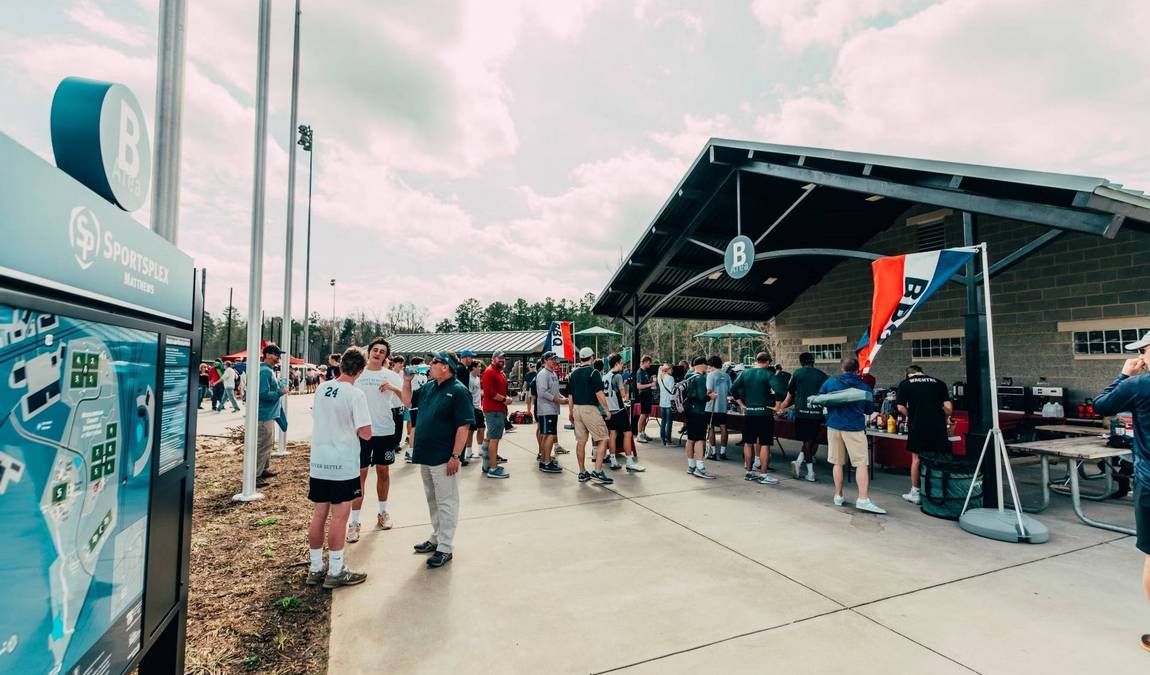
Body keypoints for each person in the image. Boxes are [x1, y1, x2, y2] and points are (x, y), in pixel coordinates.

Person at [1091, 331, 1150, 651]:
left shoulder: (1139, 384)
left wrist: (1124, 374)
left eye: (1143, 350)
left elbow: (1101, 405)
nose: (1141, 355)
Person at [306, 346, 372, 589]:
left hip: (319, 461)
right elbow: (366, 433)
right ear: (361, 370)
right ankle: (335, 569)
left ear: (341, 364)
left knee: (319, 514)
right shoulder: (355, 394)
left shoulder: (322, 388)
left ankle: (315, 567)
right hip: (342, 463)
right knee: (340, 517)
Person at [403, 351, 474, 568]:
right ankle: (436, 536)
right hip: (426, 454)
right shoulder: (429, 387)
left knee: (447, 501)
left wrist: (455, 455)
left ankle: (445, 546)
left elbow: (464, 426)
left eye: (434, 361)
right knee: (432, 498)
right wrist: (406, 382)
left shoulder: (458, 391)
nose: (429, 364)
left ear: (446, 367)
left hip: (444, 456)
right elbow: (408, 402)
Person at [345, 338, 399, 544]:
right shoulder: (357, 373)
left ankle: (383, 512)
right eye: (375, 350)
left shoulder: (390, 375)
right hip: (360, 433)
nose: (377, 353)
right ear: (369, 352)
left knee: (383, 472)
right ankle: (355, 522)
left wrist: (393, 388)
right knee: (360, 475)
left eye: (382, 351)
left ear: (386, 356)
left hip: (385, 431)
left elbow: (407, 400)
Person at [818, 355, 884, 514]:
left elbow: (821, 399)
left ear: (842, 367)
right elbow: (869, 410)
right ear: (857, 370)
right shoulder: (864, 386)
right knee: (861, 463)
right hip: (854, 427)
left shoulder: (830, 382)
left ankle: (838, 495)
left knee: (837, 463)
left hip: (833, 425)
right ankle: (862, 499)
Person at [895, 365, 953, 505]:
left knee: (916, 459)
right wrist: (941, 416)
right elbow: (948, 408)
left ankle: (916, 493)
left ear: (908, 374)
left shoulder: (905, 384)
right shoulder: (939, 383)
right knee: (939, 457)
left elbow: (900, 407)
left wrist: (911, 415)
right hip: (938, 427)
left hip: (918, 426)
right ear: (922, 372)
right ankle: (939, 490)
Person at [777, 352, 828, 483]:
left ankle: (810, 473)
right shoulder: (822, 375)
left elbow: (790, 393)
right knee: (809, 440)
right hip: (817, 413)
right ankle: (798, 462)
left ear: (801, 362)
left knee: (807, 441)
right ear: (813, 361)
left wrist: (781, 407)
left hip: (801, 412)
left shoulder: (798, 373)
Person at [566, 347, 614, 484]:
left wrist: (570, 412)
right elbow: (599, 394)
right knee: (603, 438)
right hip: (590, 409)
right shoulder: (594, 373)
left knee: (581, 441)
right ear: (592, 357)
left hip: (576, 409)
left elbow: (570, 396)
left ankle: (582, 472)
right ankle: (597, 471)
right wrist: (607, 409)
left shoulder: (573, 374)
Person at [731, 352, 779, 485]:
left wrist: (741, 404)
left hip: (749, 413)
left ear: (756, 361)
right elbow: (780, 390)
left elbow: (733, 388)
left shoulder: (745, 373)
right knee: (764, 444)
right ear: (768, 362)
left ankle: (749, 472)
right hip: (764, 413)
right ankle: (763, 475)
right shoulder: (769, 374)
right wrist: (778, 406)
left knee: (748, 442)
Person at [604, 353, 645, 473]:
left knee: (612, 434)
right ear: (616, 363)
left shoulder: (605, 376)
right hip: (619, 410)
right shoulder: (618, 376)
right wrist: (627, 386)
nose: (622, 365)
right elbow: (623, 396)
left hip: (610, 410)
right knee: (628, 434)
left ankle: (613, 460)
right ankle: (629, 462)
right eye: (621, 363)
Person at [257, 344, 289, 487]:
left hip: (269, 414)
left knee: (267, 443)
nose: (278, 358)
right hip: (265, 415)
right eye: (276, 355)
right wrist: (279, 392)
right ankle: (256, 475)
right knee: (263, 444)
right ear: (268, 355)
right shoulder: (265, 371)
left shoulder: (267, 370)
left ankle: (263, 469)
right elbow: (262, 394)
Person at [481, 351, 513, 479]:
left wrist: (505, 404)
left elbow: (500, 390)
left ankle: (488, 464)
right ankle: (493, 469)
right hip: (493, 410)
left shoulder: (499, 372)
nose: (502, 360)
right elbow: (489, 393)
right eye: (500, 358)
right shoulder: (489, 372)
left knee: (491, 438)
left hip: (498, 409)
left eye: (504, 358)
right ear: (493, 359)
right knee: (494, 438)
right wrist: (505, 400)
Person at [684, 357, 715, 478]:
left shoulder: (689, 376)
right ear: (701, 365)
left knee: (690, 438)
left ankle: (691, 465)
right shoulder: (701, 378)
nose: (706, 367)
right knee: (699, 439)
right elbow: (702, 397)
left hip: (688, 410)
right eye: (705, 365)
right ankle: (700, 467)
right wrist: (711, 396)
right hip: (698, 411)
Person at [535, 352, 566, 473]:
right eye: (552, 359)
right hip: (546, 409)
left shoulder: (552, 373)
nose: (555, 361)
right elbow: (542, 392)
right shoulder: (543, 374)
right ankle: (546, 462)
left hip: (552, 409)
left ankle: (545, 459)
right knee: (548, 435)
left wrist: (562, 398)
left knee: (547, 435)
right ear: (545, 360)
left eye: (555, 359)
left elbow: (555, 391)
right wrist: (557, 399)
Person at [705, 355, 732, 460]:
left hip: (711, 406)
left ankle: (713, 452)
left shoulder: (710, 375)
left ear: (711, 365)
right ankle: (723, 452)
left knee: (710, 428)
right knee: (723, 427)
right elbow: (731, 390)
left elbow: (709, 390)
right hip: (723, 406)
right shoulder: (727, 376)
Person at [405, 357, 428, 454]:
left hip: (423, 403)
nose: (424, 366)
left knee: (420, 427)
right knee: (414, 427)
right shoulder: (411, 375)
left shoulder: (424, 376)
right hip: (414, 403)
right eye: (422, 363)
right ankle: (410, 450)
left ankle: (417, 448)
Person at [465, 360, 485, 465]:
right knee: (471, 430)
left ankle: (480, 449)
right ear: (473, 368)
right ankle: (468, 451)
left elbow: (478, 392)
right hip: (471, 408)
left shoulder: (478, 378)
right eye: (478, 366)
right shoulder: (469, 378)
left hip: (478, 408)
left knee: (482, 428)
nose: (480, 368)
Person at [634, 355, 656, 443]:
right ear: (645, 361)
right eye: (649, 363)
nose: (650, 364)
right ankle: (639, 434)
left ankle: (643, 432)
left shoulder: (645, 371)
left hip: (647, 394)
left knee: (646, 415)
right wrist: (651, 385)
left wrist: (650, 382)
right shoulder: (640, 372)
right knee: (643, 415)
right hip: (643, 394)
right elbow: (638, 386)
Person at [657, 363, 676, 445]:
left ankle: (662, 438)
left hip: (662, 402)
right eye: (671, 369)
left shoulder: (660, 377)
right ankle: (668, 439)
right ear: (668, 369)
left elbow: (659, 370)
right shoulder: (670, 378)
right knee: (669, 421)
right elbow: (673, 391)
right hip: (669, 402)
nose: (672, 370)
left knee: (663, 421)